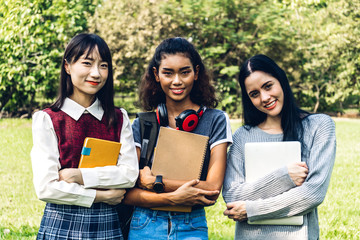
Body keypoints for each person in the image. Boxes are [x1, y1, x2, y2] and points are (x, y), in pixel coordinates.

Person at [122, 37, 233, 239]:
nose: (177, 81)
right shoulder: (142, 124)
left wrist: (156, 183)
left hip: (192, 225)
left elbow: (212, 189)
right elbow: (127, 194)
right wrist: (174, 198)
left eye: (185, 72)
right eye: (168, 72)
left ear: (196, 73)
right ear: (156, 75)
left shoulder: (215, 120)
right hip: (145, 224)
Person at [30, 33, 139, 240]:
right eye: (87, 63)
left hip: (107, 224)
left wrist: (79, 176)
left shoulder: (118, 118)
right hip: (61, 224)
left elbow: (129, 174)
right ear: (67, 66)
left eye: (103, 65)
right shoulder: (48, 119)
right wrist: (101, 195)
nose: (96, 73)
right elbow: (46, 188)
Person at [222, 54, 336, 239]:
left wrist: (252, 210)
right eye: (254, 94)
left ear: (281, 80)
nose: (265, 97)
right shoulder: (242, 136)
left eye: (268, 86)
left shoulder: (319, 126)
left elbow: (313, 193)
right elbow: (232, 196)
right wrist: (284, 177)